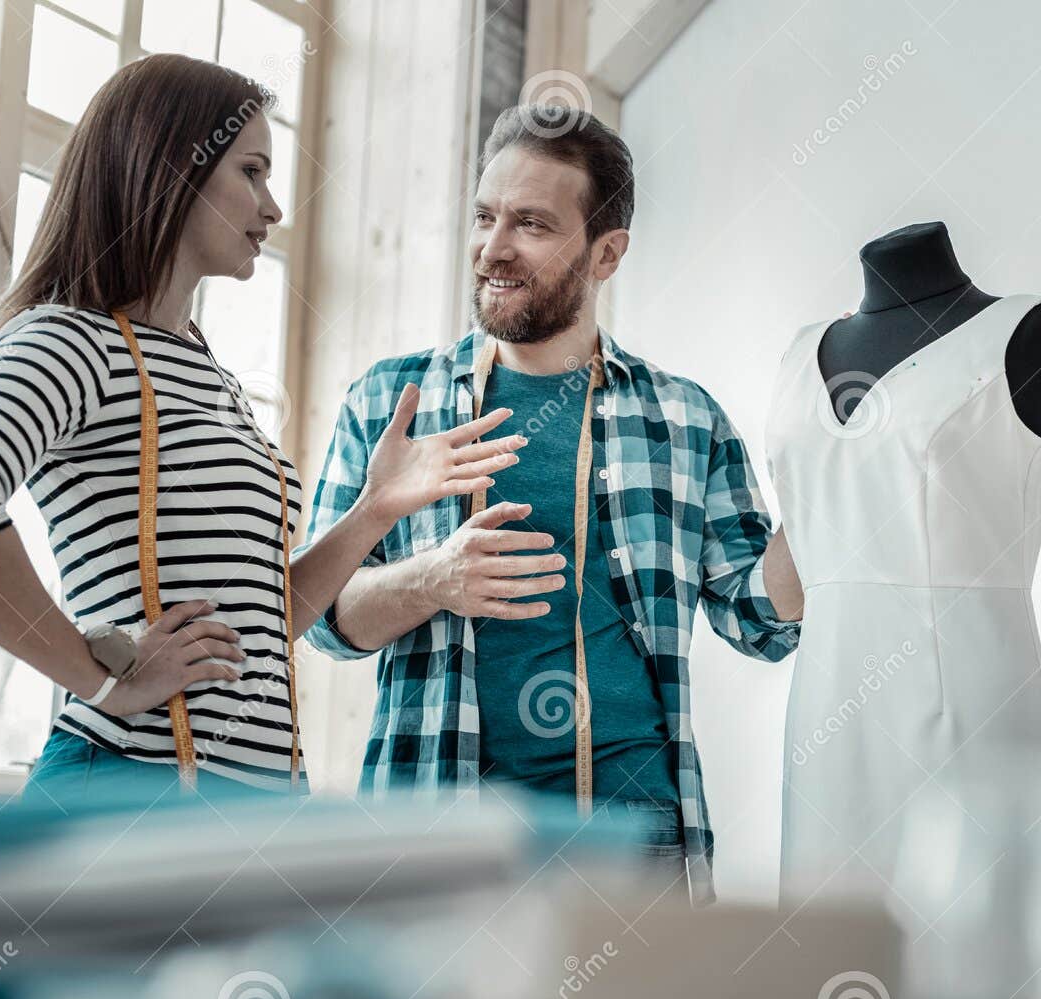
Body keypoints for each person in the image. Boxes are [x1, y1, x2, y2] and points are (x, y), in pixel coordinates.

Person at [0, 55, 522, 800]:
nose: (273, 208)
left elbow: (265, 619)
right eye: (252, 172)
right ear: (172, 170)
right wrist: (97, 683)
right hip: (133, 791)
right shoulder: (74, 341)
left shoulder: (207, 375)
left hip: (247, 804)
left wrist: (374, 510)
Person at [302, 104, 804, 903]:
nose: (493, 250)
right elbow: (321, 619)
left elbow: (762, 623)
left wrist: (822, 484)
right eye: (484, 217)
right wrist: (431, 579)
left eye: (531, 224)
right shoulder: (390, 401)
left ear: (606, 253)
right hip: (436, 824)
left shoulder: (686, 417)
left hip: (633, 835)